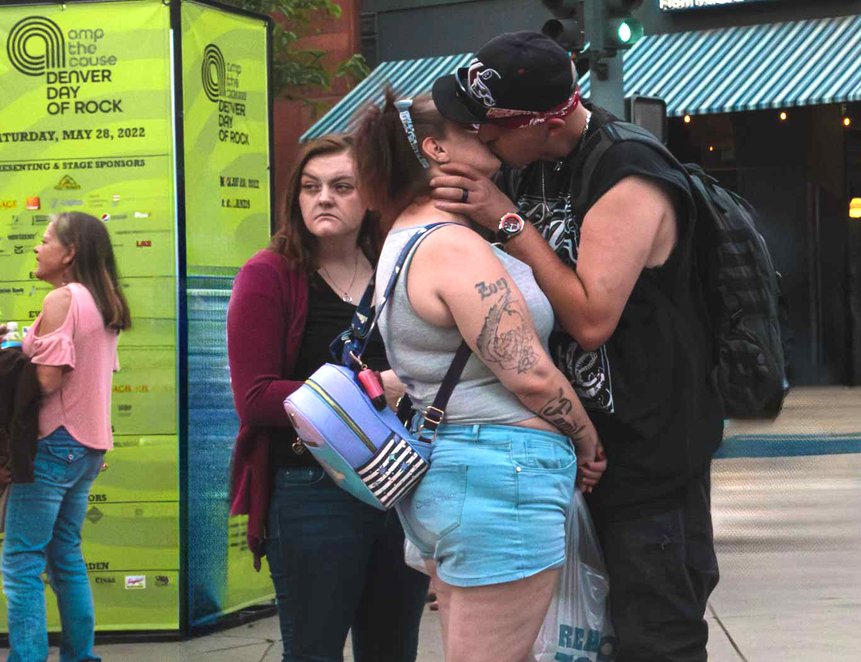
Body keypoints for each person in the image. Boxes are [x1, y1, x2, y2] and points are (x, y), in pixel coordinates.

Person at [429, 32, 726, 662]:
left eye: (489, 127)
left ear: (545, 121)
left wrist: (510, 223)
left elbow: (593, 319)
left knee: (655, 636)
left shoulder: (629, 173)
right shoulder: (518, 161)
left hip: (643, 456)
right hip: (555, 451)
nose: (478, 137)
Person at [352, 89, 606, 662]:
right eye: (473, 130)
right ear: (437, 149)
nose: (489, 131)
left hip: (461, 474)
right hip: (500, 479)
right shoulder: (453, 248)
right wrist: (587, 440)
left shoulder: (407, 236)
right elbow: (530, 375)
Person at [226, 135, 428, 662]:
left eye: (342, 187)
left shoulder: (397, 268)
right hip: (309, 488)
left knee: (393, 650)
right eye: (311, 187)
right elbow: (255, 398)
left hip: (399, 483)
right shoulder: (268, 275)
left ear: (370, 198)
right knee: (313, 650)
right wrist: (369, 388)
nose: (323, 199)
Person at [2, 212, 130, 662]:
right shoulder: (103, 298)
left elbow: (48, 381)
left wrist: (8, 358)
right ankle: (80, 656)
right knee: (66, 557)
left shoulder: (63, 298)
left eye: (44, 240)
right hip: (89, 445)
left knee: (20, 562)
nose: (37, 248)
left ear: (69, 251)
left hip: (53, 443)